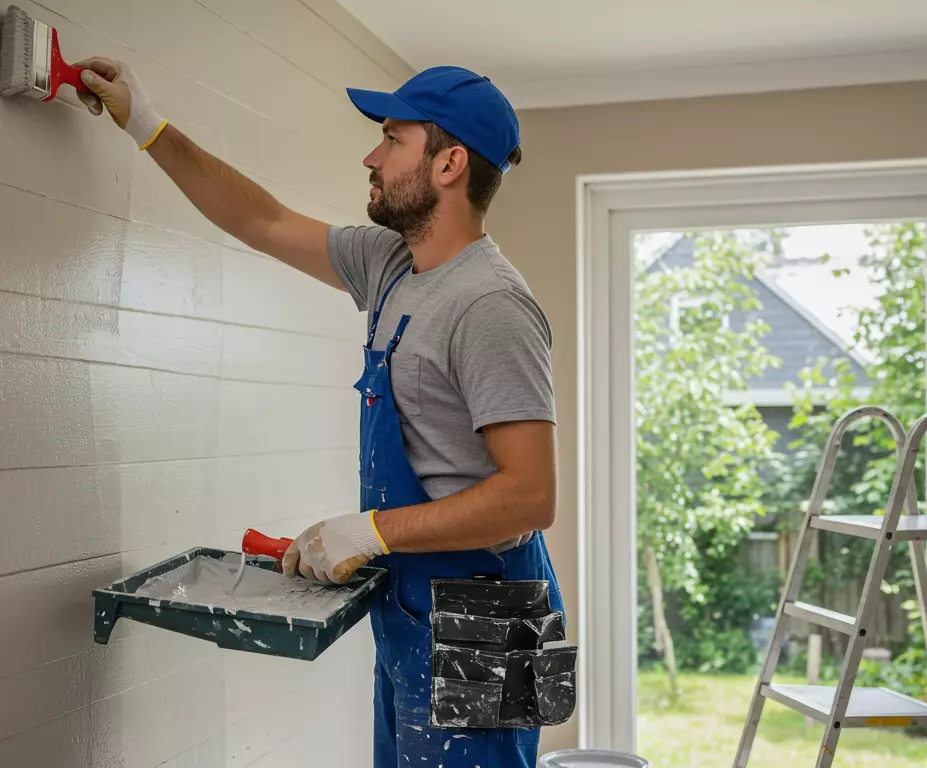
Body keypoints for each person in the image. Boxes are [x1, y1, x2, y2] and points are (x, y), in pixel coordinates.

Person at [77, 58, 566, 768]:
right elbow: (262, 219)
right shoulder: (391, 264)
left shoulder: (491, 306)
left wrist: (369, 529)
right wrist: (145, 124)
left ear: (449, 163)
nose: (371, 155)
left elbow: (530, 497)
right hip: (418, 605)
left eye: (393, 139)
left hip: (486, 621)